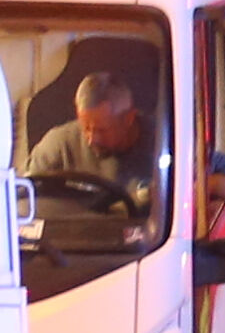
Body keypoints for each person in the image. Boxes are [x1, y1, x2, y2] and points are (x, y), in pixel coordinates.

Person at [23, 64, 163, 241]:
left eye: (101, 130)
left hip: (140, 251)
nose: (91, 139)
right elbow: (25, 203)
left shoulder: (163, 145)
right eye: (85, 128)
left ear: (129, 119)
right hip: (73, 248)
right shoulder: (57, 147)